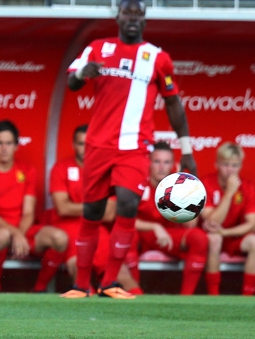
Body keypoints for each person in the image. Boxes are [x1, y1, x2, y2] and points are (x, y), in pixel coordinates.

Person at [61, 0, 197, 299]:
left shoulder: (158, 57)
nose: (133, 17)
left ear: (145, 20)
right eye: (127, 12)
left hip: (135, 146)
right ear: (118, 18)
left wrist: (186, 149)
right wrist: (84, 73)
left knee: (127, 204)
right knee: (93, 211)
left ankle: (110, 282)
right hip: (98, 144)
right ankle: (82, 284)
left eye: (139, 13)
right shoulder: (98, 47)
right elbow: (72, 81)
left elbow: (173, 103)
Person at [42, 124, 140, 294]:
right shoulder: (61, 168)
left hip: (97, 229)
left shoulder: (107, 171)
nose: (85, 149)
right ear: (73, 145)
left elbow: (109, 214)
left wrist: (78, 207)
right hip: (68, 227)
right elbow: (63, 209)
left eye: (89, 144)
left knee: (122, 274)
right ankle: (90, 316)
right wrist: (97, 207)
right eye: (81, 144)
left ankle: (143, 312)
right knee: (78, 270)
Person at [0, 120, 68, 292]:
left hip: (24, 229)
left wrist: (19, 234)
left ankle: (40, 289)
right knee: (1, 235)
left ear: (16, 146)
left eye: (9, 143)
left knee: (60, 238)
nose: (4, 148)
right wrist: (15, 235)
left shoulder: (27, 171)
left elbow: (29, 212)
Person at [131, 141, 208, 295]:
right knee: (128, 236)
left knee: (200, 238)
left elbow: (191, 225)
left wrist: (180, 186)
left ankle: (186, 299)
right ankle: (135, 294)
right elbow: (123, 220)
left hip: (169, 236)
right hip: (143, 235)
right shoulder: (138, 182)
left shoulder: (177, 185)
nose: (161, 167)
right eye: (157, 161)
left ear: (173, 165)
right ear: (149, 163)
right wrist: (154, 227)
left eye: (166, 162)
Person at [200, 142, 255, 295]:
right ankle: (214, 296)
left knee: (254, 242)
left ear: (241, 166)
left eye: (235, 165)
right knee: (214, 239)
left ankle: (247, 296)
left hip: (231, 236)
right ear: (217, 163)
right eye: (225, 164)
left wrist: (226, 233)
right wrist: (229, 193)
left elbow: (252, 224)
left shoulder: (247, 187)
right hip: (209, 237)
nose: (230, 170)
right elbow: (212, 223)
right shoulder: (206, 184)